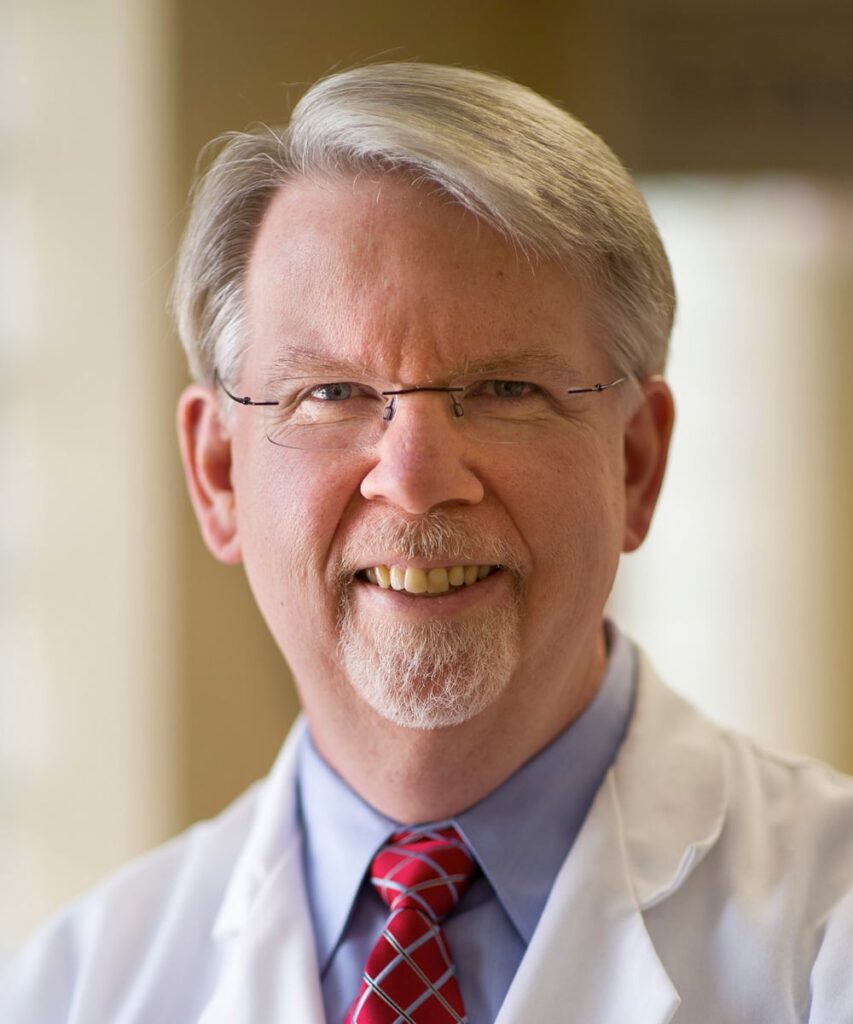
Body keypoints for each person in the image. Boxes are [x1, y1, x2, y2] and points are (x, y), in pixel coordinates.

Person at [2, 61, 852, 1024]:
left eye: (504, 390)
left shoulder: (830, 929)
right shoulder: (73, 990)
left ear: (635, 463)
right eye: (330, 392)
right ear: (218, 473)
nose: (413, 477)